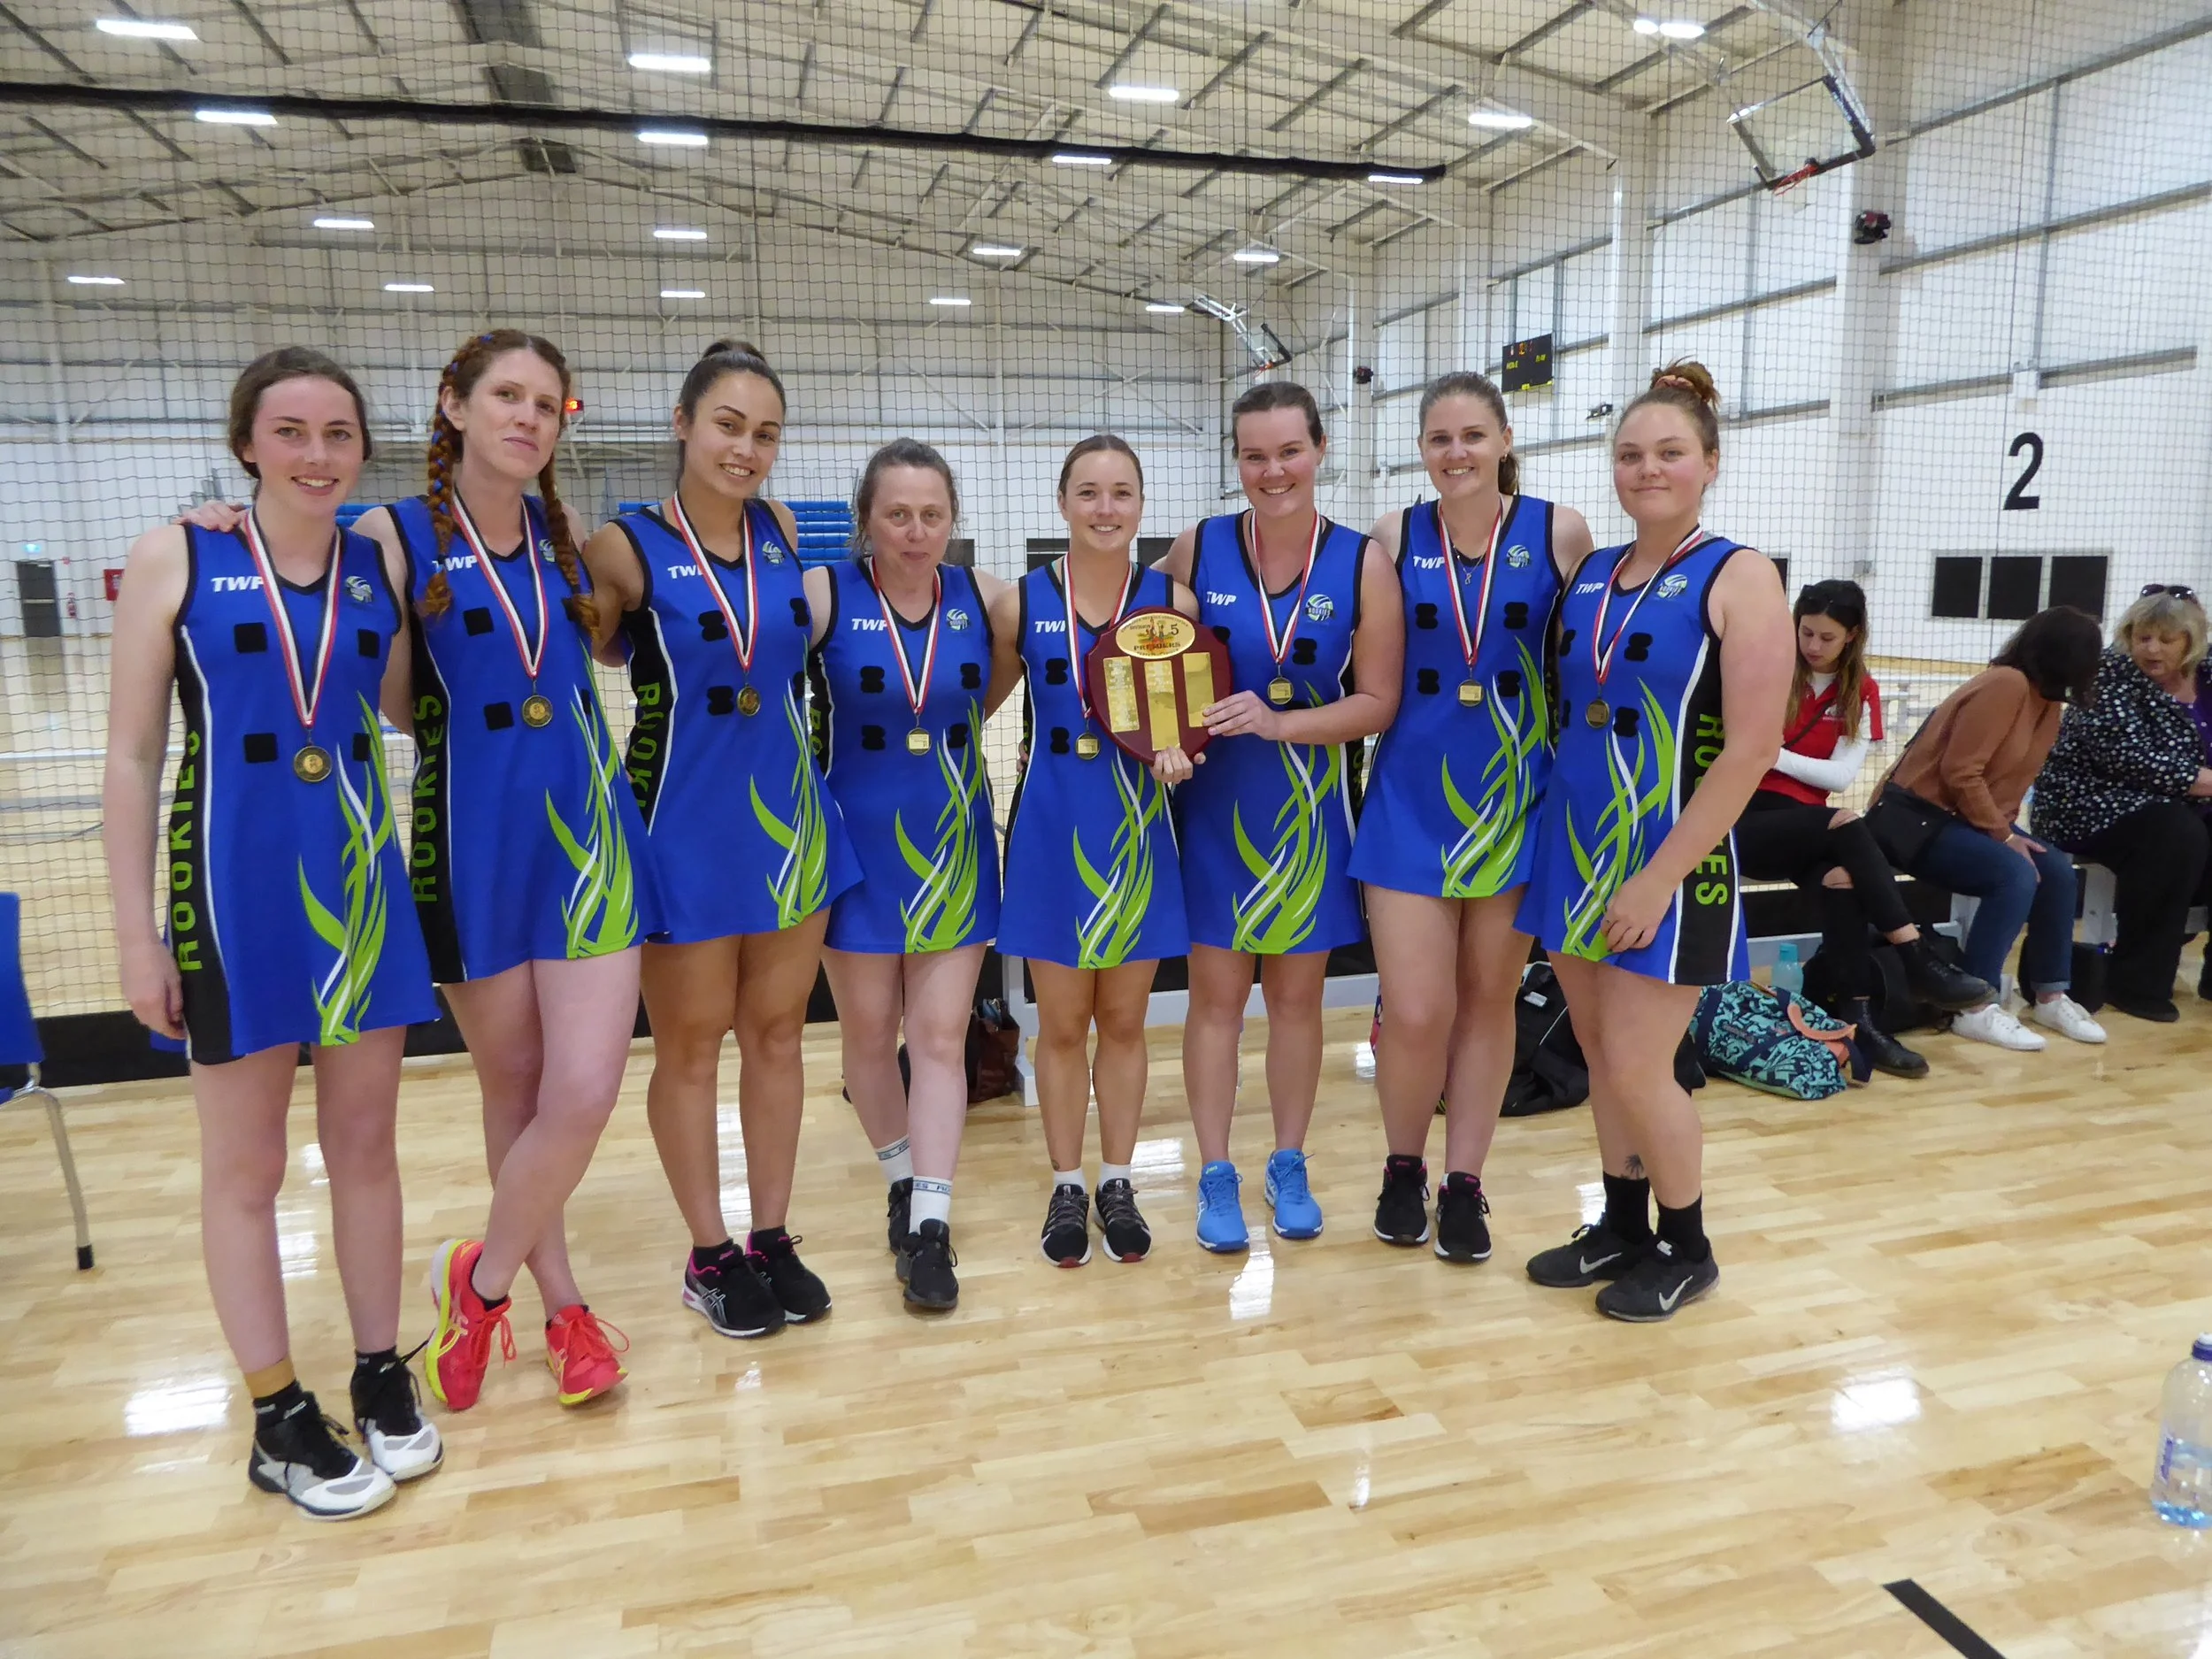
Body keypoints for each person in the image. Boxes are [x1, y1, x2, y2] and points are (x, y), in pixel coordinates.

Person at [105, 349, 442, 1517]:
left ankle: (379, 1367)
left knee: (367, 1145)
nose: (315, 454)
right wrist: (136, 936)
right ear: (246, 441)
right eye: (290, 431)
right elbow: (131, 757)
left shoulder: (375, 566)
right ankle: (276, 1414)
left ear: (363, 449)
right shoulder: (177, 555)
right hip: (230, 889)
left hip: (361, 887)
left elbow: (412, 703)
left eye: (338, 433)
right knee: (246, 1165)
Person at [581, 341, 860, 1337]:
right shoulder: (621, 546)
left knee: (778, 1035)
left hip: (789, 821)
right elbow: (577, 646)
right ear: (684, 424)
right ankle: (708, 1254)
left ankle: (770, 1236)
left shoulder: (780, 529)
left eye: (765, 433)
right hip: (681, 826)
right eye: (728, 425)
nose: (746, 449)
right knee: (692, 1046)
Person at [1517, 360, 1793, 1322]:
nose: (1648, 469)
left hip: (1671, 864)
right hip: (1575, 852)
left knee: (1641, 1064)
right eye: (1631, 454)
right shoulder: (1593, 573)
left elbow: (1751, 748)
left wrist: (1656, 879)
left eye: (1670, 452)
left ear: (1709, 462)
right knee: (1602, 1056)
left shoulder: (1740, 575)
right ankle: (1623, 1225)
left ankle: (1688, 1245)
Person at [1349, 371, 1592, 1262]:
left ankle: (1464, 1183)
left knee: (1490, 1002)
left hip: (1516, 803)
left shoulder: (1560, 532)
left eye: (1472, 436)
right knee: (1416, 1009)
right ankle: (1402, 1168)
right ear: (1421, 448)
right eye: (1440, 438)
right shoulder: (1390, 537)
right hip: (1409, 801)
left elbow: (1582, 667)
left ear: (1504, 440)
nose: (1456, 453)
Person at [1156, 381, 1404, 1251]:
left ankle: (1288, 1162)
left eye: (1289, 451)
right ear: (1237, 460)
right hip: (1215, 811)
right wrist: (1157, 737)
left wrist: (1280, 724)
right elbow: (1145, 661)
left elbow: (1377, 702)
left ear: (1319, 450)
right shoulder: (1197, 547)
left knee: (1297, 1003)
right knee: (1215, 1003)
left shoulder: (1362, 561)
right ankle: (1215, 1172)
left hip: (1308, 815)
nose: (1273, 471)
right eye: (1254, 455)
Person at [809, 441, 1015, 1310]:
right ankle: (900, 1179)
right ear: (866, 520)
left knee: (938, 1040)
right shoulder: (824, 594)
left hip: (953, 842)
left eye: (932, 514)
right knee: (867, 1040)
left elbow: (1018, 669)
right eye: (897, 514)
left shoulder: (987, 599)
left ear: (952, 519)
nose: (916, 530)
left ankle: (931, 1224)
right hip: (853, 845)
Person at [990, 435, 1195, 1267]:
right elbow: (976, 703)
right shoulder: (1021, 602)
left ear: (1141, 504)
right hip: (1051, 824)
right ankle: (1066, 1184)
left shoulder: (1172, 600)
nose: (1105, 508)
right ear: (1062, 502)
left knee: (1124, 1020)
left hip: (1136, 826)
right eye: (1088, 492)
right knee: (1063, 1023)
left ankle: (1118, 1179)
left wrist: (1183, 749)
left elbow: (1188, 710)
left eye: (1121, 493)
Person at [1733, 580, 1991, 1074]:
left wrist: (1771, 755)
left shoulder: (1860, 691)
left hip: (1808, 830)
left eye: (1826, 637)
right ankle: (1915, 956)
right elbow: (1743, 754)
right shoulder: (1767, 672)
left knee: (1843, 882)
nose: (1813, 645)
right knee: (1849, 824)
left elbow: (1839, 776)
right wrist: (1766, 756)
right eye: (1806, 632)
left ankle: (1859, 1023)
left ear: (1852, 636)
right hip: (1746, 820)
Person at [1867, 606, 2106, 1051]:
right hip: (1913, 819)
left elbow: (2011, 786)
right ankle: (1974, 1005)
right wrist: (2004, 838)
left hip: (1963, 821)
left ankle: (2050, 995)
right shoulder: (2006, 683)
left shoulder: (2050, 703)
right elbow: (1961, 772)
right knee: (2013, 874)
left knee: (2055, 869)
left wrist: (2008, 833)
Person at [2030, 585, 2212, 1021]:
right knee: (2174, 834)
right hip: (2087, 802)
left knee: (2181, 827)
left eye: (2166, 639)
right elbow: (2130, 759)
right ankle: (2135, 984)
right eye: (2142, 637)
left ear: (2191, 642)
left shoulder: (2206, 676)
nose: (2152, 649)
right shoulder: (2107, 676)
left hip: (2179, 803)